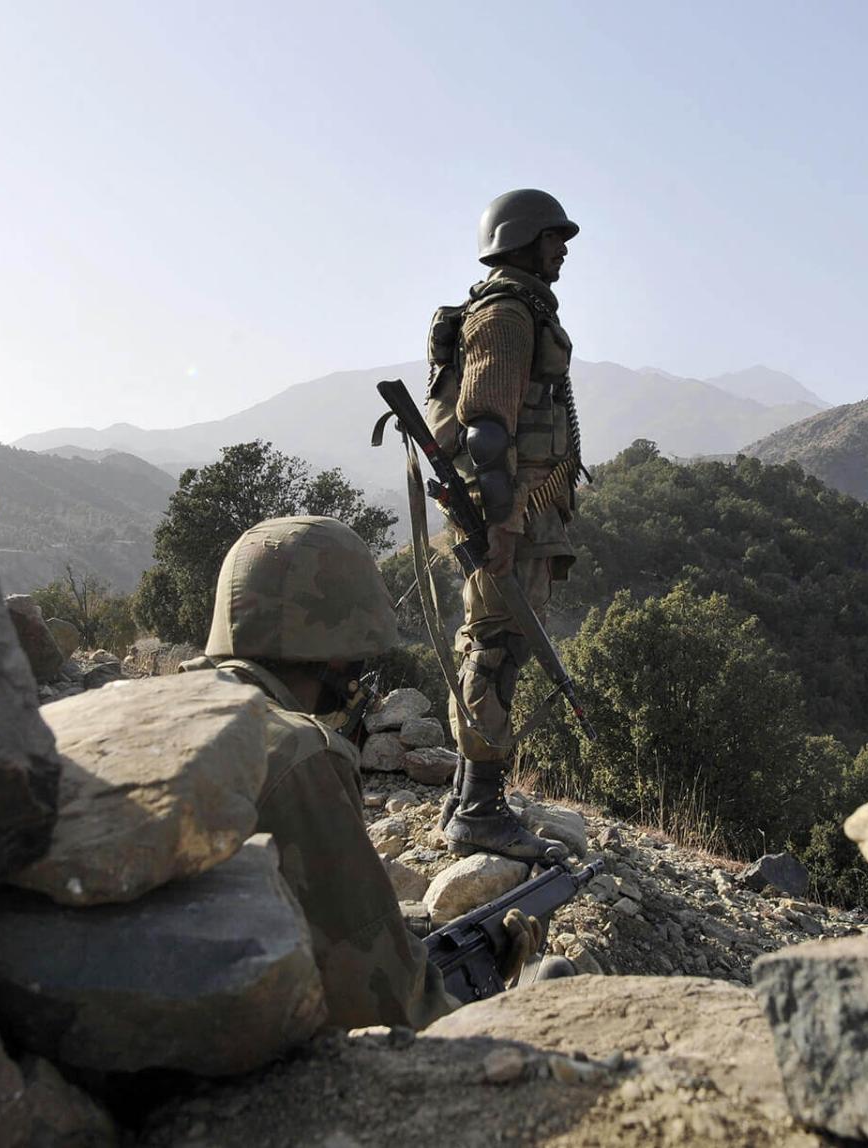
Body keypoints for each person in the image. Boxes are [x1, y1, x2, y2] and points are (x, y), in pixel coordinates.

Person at [184, 515, 546, 1030]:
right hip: (209, 1078)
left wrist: (422, 928)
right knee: (548, 982)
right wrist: (490, 986)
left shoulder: (142, 708)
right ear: (337, 656)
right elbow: (388, 1007)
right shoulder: (296, 754)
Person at [441, 189, 585, 863]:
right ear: (521, 238)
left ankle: (472, 792)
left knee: (496, 643)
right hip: (511, 514)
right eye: (553, 237)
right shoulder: (506, 313)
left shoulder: (519, 308)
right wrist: (501, 524)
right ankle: (478, 810)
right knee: (495, 648)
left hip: (524, 511)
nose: (562, 250)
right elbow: (488, 430)